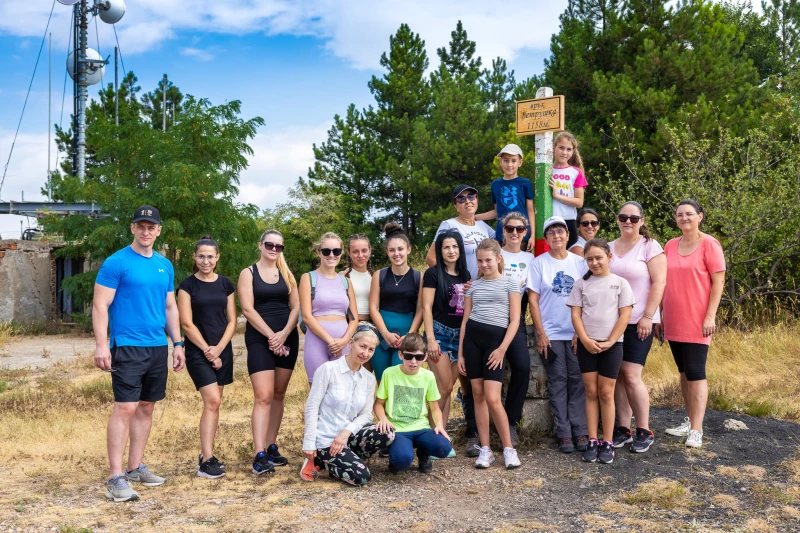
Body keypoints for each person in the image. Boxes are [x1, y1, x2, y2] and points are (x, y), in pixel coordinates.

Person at [93, 205, 185, 502]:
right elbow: (100, 306)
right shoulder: (116, 262)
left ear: (159, 230)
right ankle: (115, 477)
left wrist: (178, 343)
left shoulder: (164, 265)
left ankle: (135, 468)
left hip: (157, 345)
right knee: (126, 408)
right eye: (141, 226)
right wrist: (101, 344)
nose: (146, 231)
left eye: (151, 227)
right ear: (133, 228)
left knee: (146, 406)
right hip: (128, 345)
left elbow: (170, 307)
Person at [425, 184, 495, 457]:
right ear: (455, 204)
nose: (468, 201)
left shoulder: (484, 233)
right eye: (461, 198)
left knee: (454, 385)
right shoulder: (447, 226)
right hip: (441, 330)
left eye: (472, 196)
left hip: (466, 324)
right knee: (442, 387)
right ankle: (435, 439)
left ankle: (451, 437)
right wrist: (445, 281)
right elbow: (428, 304)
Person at [661, 200, 725, 448]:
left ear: (700, 216)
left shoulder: (710, 244)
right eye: (680, 214)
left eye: (689, 214)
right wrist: (660, 315)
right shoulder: (670, 245)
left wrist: (710, 316)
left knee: (697, 371)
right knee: (684, 372)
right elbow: (662, 282)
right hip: (674, 319)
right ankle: (689, 421)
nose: (684, 218)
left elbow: (718, 283)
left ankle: (697, 431)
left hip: (698, 320)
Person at [238, 229, 300, 475]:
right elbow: (248, 309)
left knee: (279, 393)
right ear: (260, 245)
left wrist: (283, 334)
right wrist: (271, 337)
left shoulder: (287, 273)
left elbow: (296, 308)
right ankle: (259, 453)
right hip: (259, 338)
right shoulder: (248, 273)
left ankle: (272, 445)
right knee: (263, 395)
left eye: (278, 246)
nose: (274, 249)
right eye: (269, 245)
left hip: (288, 337)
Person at [568, 239, 635, 464]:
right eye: (589, 259)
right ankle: (593, 439)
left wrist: (611, 341)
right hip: (587, 346)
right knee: (590, 392)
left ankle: (607, 441)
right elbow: (576, 315)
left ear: (609, 257)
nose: (594, 262)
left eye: (598, 257)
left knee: (606, 393)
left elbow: (625, 315)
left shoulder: (620, 283)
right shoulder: (581, 284)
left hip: (611, 346)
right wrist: (585, 340)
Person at [301, 323, 393, 485]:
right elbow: (312, 407)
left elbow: (366, 414)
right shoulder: (328, 369)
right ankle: (319, 460)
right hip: (326, 439)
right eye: (362, 346)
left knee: (388, 433)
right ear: (351, 343)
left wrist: (346, 433)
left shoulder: (368, 379)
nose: (365, 353)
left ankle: (343, 458)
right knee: (362, 478)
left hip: (348, 436)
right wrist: (309, 444)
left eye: (370, 349)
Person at [458, 239, 522, 470]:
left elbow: (514, 320)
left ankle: (508, 449)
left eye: (488, 260)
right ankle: (486, 449)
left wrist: (502, 348)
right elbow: (465, 321)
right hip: (473, 342)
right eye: (480, 261)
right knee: (477, 395)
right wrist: (461, 354)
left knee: (493, 398)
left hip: (496, 343)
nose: (484, 264)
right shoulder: (473, 286)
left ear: (498, 258)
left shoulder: (510, 284)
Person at [527, 216, 589, 454]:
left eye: (560, 231)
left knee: (577, 380)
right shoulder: (539, 263)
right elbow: (533, 300)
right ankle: (563, 433)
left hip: (575, 333)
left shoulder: (580, 263)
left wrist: (581, 331)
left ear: (567, 235)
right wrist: (541, 333)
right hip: (551, 334)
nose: (556, 236)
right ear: (547, 237)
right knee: (558, 380)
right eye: (551, 232)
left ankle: (580, 430)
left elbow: (586, 297)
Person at [177, 235, 237, 479]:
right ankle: (206, 462)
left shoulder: (225, 284)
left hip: (222, 350)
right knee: (211, 400)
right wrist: (208, 351)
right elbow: (186, 324)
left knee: (215, 404)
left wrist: (219, 349)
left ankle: (207, 454)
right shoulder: (186, 286)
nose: (205, 260)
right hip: (198, 351)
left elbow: (232, 320)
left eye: (210, 256)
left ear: (217, 258)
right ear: (194, 257)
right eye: (201, 256)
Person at [609, 202, 666, 453]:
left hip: (638, 321)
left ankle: (644, 429)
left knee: (632, 375)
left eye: (633, 218)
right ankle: (623, 429)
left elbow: (659, 282)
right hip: (611, 322)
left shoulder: (650, 246)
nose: (628, 222)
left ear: (641, 220)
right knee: (618, 376)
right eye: (623, 217)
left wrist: (648, 316)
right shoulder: (609, 247)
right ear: (618, 219)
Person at [375, 333, 453, 474]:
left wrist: (439, 426)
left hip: (421, 427)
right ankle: (397, 454)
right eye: (408, 356)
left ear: (425, 357)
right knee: (402, 460)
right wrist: (384, 419)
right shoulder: (389, 373)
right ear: (400, 355)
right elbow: (378, 404)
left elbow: (434, 407)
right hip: (398, 428)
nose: (413, 362)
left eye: (418, 357)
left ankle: (423, 453)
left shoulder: (428, 376)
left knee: (444, 448)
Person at [421, 230, 470, 430]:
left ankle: (441, 435)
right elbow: (426, 307)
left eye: (455, 246)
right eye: (446, 247)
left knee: (447, 388)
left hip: (459, 335)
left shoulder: (465, 275)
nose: (451, 251)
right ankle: (428, 432)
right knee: (445, 386)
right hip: (439, 334)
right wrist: (431, 339)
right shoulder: (433, 274)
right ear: (440, 251)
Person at [299, 232, 359, 382]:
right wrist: (331, 341)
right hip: (317, 342)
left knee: (341, 392)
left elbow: (354, 318)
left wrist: (344, 340)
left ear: (341, 253)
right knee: (317, 392)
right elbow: (306, 316)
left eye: (336, 251)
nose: (331, 255)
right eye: (326, 251)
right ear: (319, 252)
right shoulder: (308, 278)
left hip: (343, 343)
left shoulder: (346, 282)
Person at [369, 222, 423, 382]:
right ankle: (382, 408)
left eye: (400, 249)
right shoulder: (379, 275)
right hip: (381, 334)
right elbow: (373, 307)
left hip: (407, 334)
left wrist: (410, 336)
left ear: (408, 249)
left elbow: (420, 309)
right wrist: (385, 334)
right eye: (392, 250)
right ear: (387, 252)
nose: (396, 253)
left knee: (400, 381)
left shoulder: (418, 277)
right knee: (382, 381)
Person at [498, 212, 534, 446]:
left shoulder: (532, 259)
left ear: (525, 232)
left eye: (519, 229)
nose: (514, 233)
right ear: (503, 231)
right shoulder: (494, 253)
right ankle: (474, 427)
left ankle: (511, 422)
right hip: (491, 315)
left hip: (516, 316)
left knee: (522, 366)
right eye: (510, 229)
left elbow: (534, 294)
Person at [475, 144, 536, 251]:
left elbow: (530, 211)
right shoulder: (495, 184)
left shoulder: (525, 183)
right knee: (501, 265)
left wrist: (533, 236)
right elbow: (497, 211)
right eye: (506, 160)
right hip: (502, 235)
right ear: (501, 162)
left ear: (520, 162)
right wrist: (475, 217)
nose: (509, 164)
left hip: (521, 234)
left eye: (513, 161)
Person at [342, 234, 375, 371]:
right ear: (349, 253)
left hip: (374, 326)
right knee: (353, 369)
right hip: (352, 326)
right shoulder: (343, 276)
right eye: (355, 251)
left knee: (369, 372)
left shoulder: (377, 276)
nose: (360, 255)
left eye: (364, 250)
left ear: (370, 251)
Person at [551, 132, 588, 249]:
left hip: (568, 220)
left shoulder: (576, 172)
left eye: (568, 149)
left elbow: (579, 202)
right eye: (561, 148)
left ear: (573, 152)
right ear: (553, 148)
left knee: (569, 256)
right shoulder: (546, 171)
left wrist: (558, 196)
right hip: (549, 218)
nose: (564, 152)